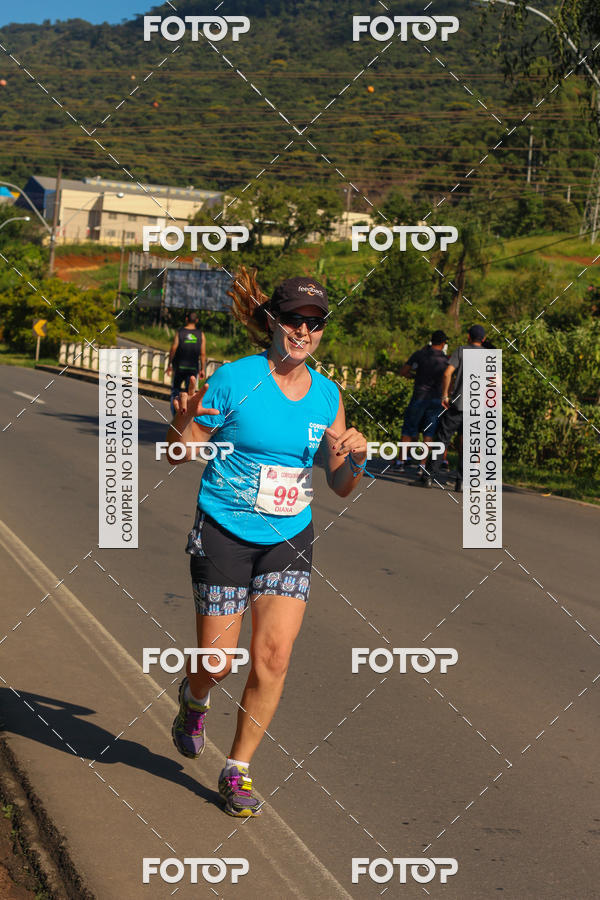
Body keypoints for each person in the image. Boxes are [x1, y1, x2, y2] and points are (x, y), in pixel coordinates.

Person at [164, 269, 369, 817]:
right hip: (225, 530)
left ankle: (238, 770)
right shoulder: (234, 379)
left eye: (315, 323)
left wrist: (356, 458)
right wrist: (181, 425)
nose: (304, 331)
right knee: (217, 661)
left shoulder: (327, 395)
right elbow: (181, 454)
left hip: (289, 537)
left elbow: (340, 484)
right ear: (274, 321)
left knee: (273, 657)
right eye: (295, 319)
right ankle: (195, 696)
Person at [427, 324, 486, 491]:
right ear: (484, 339)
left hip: (458, 405)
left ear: (468, 337)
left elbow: (447, 373)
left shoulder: (461, 351)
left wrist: (445, 395)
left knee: (443, 440)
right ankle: (461, 482)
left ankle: (429, 477)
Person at [396, 330, 448, 481]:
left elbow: (404, 371)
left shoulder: (419, 355)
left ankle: (401, 462)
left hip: (419, 397)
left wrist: (415, 376)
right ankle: (422, 465)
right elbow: (448, 379)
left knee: (408, 429)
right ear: (443, 343)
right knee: (428, 433)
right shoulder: (445, 360)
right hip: (435, 400)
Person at [166, 311, 206, 416]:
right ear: (197, 320)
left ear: (186, 319)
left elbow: (173, 348)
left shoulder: (180, 332)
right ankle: (185, 415)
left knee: (175, 391)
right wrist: (203, 369)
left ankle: (175, 414)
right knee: (190, 393)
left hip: (179, 367)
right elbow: (203, 353)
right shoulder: (200, 334)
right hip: (193, 369)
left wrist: (169, 364)